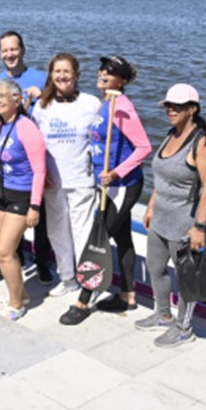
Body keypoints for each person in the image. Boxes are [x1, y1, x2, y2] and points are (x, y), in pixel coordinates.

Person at [137, 84, 206, 347]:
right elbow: (161, 177)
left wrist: (200, 227)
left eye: (177, 106)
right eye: (168, 106)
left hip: (185, 222)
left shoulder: (202, 142)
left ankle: (184, 328)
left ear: (192, 109)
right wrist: (151, 206)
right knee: (155, 267)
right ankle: (163, 315)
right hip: (160, 217)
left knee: (186, 278)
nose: (170, 110)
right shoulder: (170, 134)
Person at [28, 53, 104, 321]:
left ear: (76, 74)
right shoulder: (42, 106)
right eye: (57, 71)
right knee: (57, 233)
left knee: (82, 233)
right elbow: (35, 144)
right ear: (51, 75)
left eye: (66, 71)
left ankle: (88, 282)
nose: (62, 76)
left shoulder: (91, 103)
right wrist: (41, 175)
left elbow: (102, 138)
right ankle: (68, 278)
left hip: (81, 180)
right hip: (52, 181)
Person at [81, 56, 153, 316]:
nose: (103, 74)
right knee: (123, 238)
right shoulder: (106, 103)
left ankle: (82, 301)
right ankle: (127, 295)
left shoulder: (122, 108)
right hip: (107, 185)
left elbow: (144, 147)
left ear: (121, 81)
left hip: (123, 185)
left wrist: (115, 172)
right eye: (102, 69)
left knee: (99, 239)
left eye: (110, 72)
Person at [0, 30, 53, 281]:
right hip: (11, 157)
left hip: (39, 156)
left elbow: (60, 104)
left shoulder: (41, 78)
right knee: (9, 222)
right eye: (4, 50)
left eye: (13, 49)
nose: (9, 54)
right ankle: (15, 260)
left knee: (39, 219)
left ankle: (43, 263)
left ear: (23, 50)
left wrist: (44, 95)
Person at [0, 78, 46, 320]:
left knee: (4, 251)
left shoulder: (26, 127)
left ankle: (16, 304)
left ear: (16, 100)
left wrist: (35, 205)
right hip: (0, 192)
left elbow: (40, 170)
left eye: (2, 96)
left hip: (21, 194)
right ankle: (22, 293)